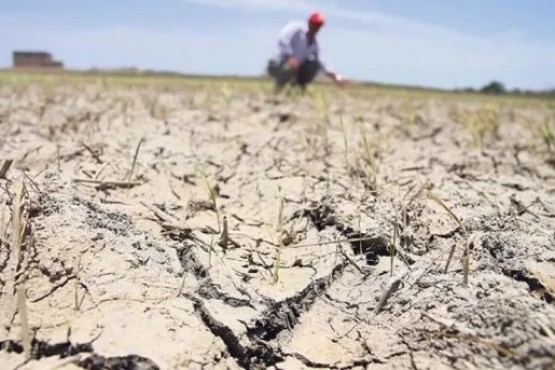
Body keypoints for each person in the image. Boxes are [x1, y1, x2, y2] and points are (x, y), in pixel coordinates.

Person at [267, 11, 348, 93]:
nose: (316, 28)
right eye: (315, 24)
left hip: (295, 68)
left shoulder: (315, 45)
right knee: (290, 67)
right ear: (309, 23)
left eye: (319, 25)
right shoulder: (296, 28)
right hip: (277, 63)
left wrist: (336, 77)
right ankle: (277, 89)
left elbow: (323, 62)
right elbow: (283, 39)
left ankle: (297, 88)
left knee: (313, 65)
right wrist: (290, 56)